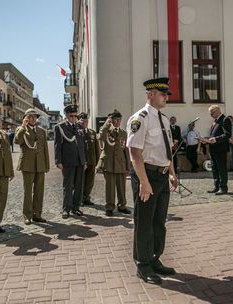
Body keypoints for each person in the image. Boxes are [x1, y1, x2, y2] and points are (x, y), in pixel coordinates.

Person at [127, 77, 178, 285]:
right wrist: (144, 182)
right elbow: (134, 153)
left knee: (159, 223)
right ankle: (143, 265)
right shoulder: (139, 118)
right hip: (147, 175)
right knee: (144, 224)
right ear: (150, 94)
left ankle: (154, 258)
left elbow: (167, 150)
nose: (166, 97)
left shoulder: (164, 119)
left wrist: (172, 172)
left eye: (167, 94)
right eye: (162, 93)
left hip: (163, 175)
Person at [15, 108, 50, 225]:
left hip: (40, 164)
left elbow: (45, 149)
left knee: (39, 191)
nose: (32, 118)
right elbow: (17, 141)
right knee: (28, 191)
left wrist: (47, 165)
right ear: (26, 118)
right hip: (27, 165)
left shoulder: (42, 131)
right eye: (29, 116)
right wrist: (23, 127)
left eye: (34, 116)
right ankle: (27, 215)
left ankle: (37, 214)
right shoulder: (21, 130)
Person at [54, 104, 86, 219]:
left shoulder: (79, 127)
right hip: (68, 161)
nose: (74, 118)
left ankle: (76, 207)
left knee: (79, 186)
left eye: (75, 116)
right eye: (71, 116)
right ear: (66, 115)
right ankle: (66, 209)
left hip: (80, 161)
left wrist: (84, 160)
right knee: (67, 186)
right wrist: (58, 161)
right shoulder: (60, 127)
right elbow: (57, 145)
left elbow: (82, 145)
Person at [97, 109, 131, 217]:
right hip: (109, 164)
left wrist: (128, 167)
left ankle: (122, 206)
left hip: (120, 164)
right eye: (114, 119)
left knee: (121, 187)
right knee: (110, 188)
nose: (117, 122)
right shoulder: (106, 131)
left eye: (118, 119)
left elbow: (126, 150)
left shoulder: (123, 133)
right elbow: (100, 137)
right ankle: (109, 207)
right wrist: (107, 124)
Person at [200, 105, 231, 195]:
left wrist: (216, 139)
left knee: (221, 169)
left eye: (211, 113)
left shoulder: (225, 120)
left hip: (221, 149)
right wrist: (206, 140)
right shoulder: (215, 121)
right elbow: (213, 135)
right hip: (213, 148)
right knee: (214, 169)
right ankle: (216, 186)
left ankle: (223, 188)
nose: (211, 115)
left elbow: (227, 135)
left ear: (217, 111)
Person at [78, 112, 99, 206]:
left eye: (86, 121)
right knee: (80, 181)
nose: (84, 123)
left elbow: (96, 148)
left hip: (91, 161)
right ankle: (80, 198)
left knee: (90, 181)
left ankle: (87, 197)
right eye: (83, 121)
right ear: (79, 121)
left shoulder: (92, 132)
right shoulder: (77, 132)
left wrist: (98, 161)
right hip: (81, 162)